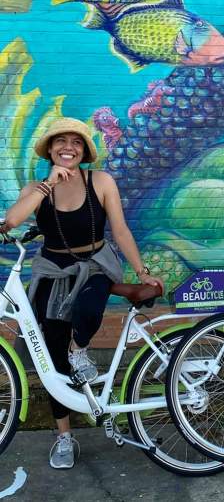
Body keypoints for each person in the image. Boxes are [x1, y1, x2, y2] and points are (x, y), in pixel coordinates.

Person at [0, 117, 163, 471]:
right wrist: (47, 185)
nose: (68, 147)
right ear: (51, 149)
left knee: (89, 309)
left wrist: (144, 271)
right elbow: (11, 221)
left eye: (76, 142)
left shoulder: (100, 181)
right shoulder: (37, 186)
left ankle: (82, 352)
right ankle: (63, 435)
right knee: (52, 356)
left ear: (84, 150)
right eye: (61, 141)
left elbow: (119, 229)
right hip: (52, 272)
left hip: (96, 264)